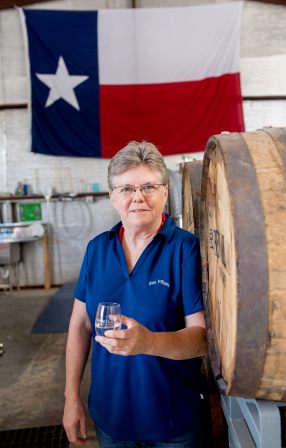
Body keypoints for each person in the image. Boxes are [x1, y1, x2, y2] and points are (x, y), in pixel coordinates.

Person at [63, 141, 208, 448]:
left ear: (165, 193)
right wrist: (71, 396)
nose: (138, 197)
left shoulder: (185, 248)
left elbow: (202, 339)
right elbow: (80, 325)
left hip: (173, 421)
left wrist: (149, 342)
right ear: (113, 197)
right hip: (111, 418)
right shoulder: (97, 249)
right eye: (126, 189)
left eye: (148, 187)